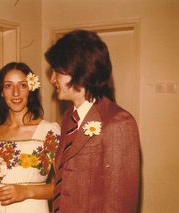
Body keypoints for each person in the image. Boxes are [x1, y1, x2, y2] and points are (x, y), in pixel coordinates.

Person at [45, 30, 140, 213]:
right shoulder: (67, 119)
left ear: (79, 70)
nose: (52, 79)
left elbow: (118, 205)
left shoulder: (119, 123)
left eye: (57, 72)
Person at [0, 62, 60, 213]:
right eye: (8, 86)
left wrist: (25, 191)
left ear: (31, 89)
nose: (15, 93)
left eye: (22, 85)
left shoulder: (48, 131)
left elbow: (64, 187)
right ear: (1, 92)